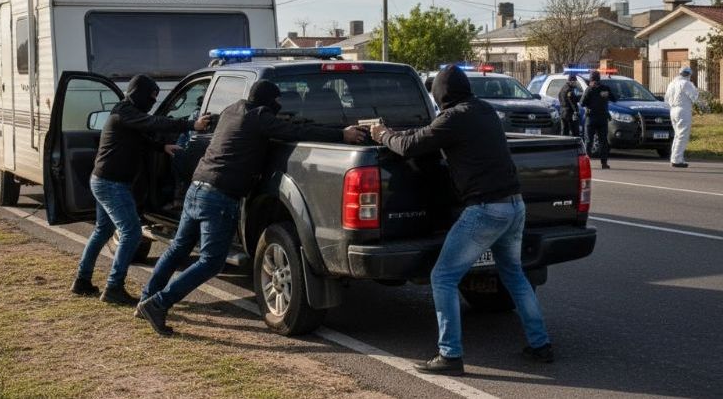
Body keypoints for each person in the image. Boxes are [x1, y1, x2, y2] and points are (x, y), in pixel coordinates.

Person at [136, 79, 366, 335]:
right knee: (211, 262)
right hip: (219, 197)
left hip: (197, 188)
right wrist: (341, 134)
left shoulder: (231, 110)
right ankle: (158, 304)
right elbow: (295, 132)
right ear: (268, 102)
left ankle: (146, 298)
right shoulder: (260, 118)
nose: (278, 107)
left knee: (178, 248)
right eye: (276, 103)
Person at [369, 65, 552, 376]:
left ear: (442, 94)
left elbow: (411, 147)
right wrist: (401, 132)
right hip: (514, 206)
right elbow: (428, 134)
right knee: (514, 275)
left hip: (485, 210)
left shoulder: (453, 118)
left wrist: (383, 135)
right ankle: (541, 345)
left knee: (443, 277)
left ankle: (450, 355)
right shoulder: (484, 110)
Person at [71, 74, 211, 305]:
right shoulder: (124, 113)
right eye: (151, 97)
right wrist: (191, 125)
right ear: (139, 94)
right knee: (132, 232)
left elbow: (139, 137)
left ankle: (82, 280)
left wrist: (161, 146)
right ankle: (114, 287)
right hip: (111, 184)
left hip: (104, 180)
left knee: (103, 231)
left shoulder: (126, 112)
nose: (152, 102)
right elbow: (153, 123)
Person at [579, 70, 616, 170]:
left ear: (591, 80)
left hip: (592, 119)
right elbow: (614, 98)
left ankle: (587, 164)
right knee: (602, 141)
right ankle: (604, 163)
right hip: (601, 119)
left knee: (589, 141)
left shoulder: (589, 89)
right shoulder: (605, 89)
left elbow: (582, 103)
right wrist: (606, 94)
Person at [664, 66, 699, 168]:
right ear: (689, 74)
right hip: (683, 110)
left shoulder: (671, 84)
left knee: (677, 135)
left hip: (673, 110)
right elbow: (695, 97)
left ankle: (674, 157)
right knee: (682, 136)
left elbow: (666, 99)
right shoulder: (686, 83)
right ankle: (677, 160)